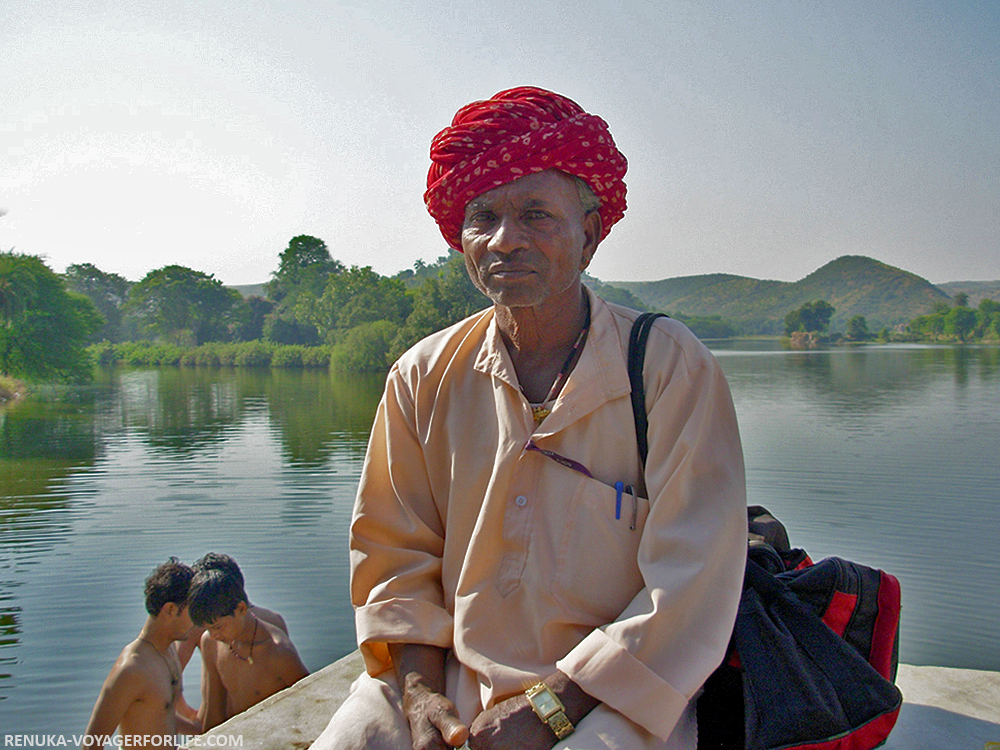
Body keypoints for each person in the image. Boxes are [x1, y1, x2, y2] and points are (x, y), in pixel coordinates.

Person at [313, 86, 747, 750]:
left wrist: (552, 708)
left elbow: (689, 584)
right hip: (449, 677)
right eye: (482, 216)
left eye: (537, 215)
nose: (505, 241)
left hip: (617, 690)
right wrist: (422, 695)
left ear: (590, 235)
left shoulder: (667, 365)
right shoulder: (423, 375)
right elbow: (393, 557)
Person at [82, 558, 201, 748]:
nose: (197, 620)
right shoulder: (132, 669)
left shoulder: (169, 650)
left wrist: (203, 731)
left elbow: (161, 714)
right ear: (170, 610)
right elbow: (91, 745)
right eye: (192, 611)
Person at [188, 562, 308, 730]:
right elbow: (214, 711)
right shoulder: (210, 642)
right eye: (208, 628)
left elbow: (311, 703)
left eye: (217, 627)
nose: (214, 634)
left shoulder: (278, 651)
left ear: (241, 608)